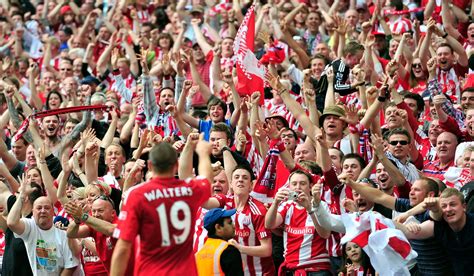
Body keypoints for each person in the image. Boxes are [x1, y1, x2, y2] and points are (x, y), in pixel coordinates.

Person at [110, 137, 213, 275]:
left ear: (150, 165)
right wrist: (203, 153)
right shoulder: (190, 190)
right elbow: (207, 178)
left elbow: (123, 248)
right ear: (176, 165)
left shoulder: (137, 195)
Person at [400, 188, 474, 275]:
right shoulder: (438, 224)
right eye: (444, 206)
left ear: (464, 207)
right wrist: (408, 226)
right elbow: (407, 232)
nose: (448, 209)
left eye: (453, 204)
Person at [6, 192, 79, 275]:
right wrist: (21, 197)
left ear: (53, 211)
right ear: (33, 212)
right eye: (39, 208)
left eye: (47, 208)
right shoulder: (30, 226)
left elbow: (70, 266)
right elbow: (11, 223)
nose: (43, 211)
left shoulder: (63, 232)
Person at [195, 208, 243, 276]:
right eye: (229, 223)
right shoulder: (229, 251)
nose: (234, 226)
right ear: (218, 227)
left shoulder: (198, 254)